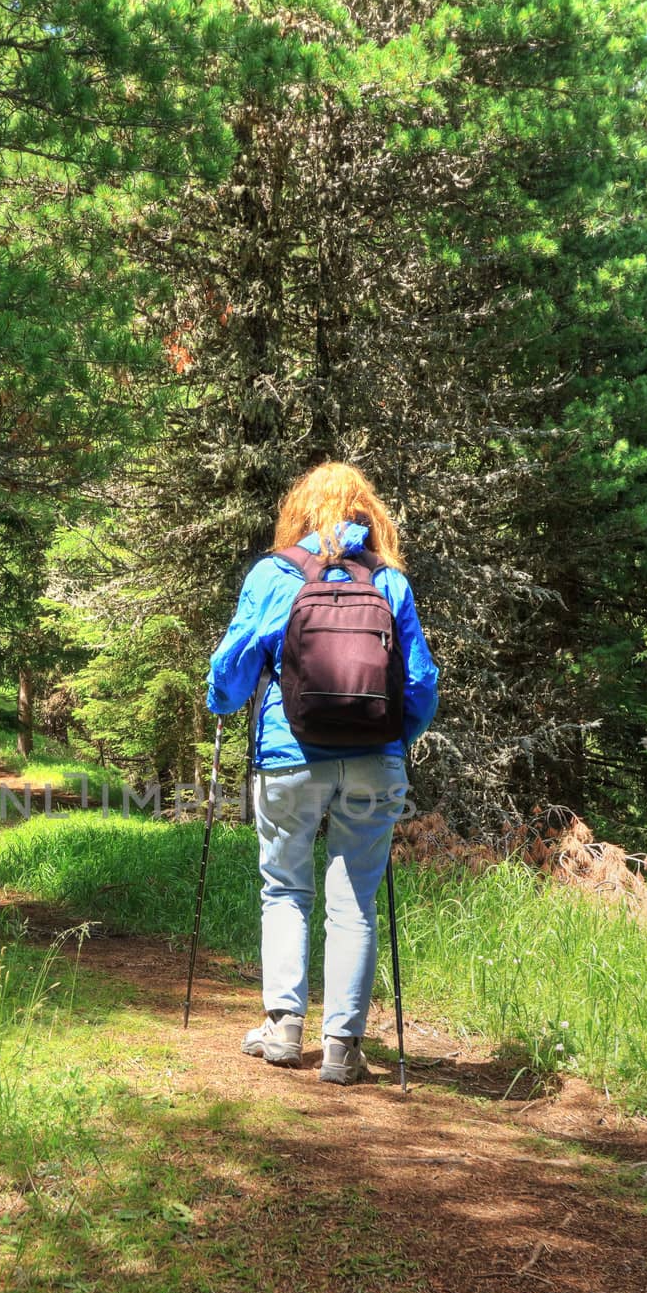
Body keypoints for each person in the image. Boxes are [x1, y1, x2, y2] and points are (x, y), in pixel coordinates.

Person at [206, 461, 439, 1084]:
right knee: (355, 900)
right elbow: (419, 686)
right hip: (373, 761)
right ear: (367, 514)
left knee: (284, 888)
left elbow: (230, 677)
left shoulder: (274, 575)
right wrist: (393, 740)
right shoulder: (389, 581)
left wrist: (224, 700)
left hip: (289, 756)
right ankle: (342, 1046)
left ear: (301, 512)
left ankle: (283, 1030)